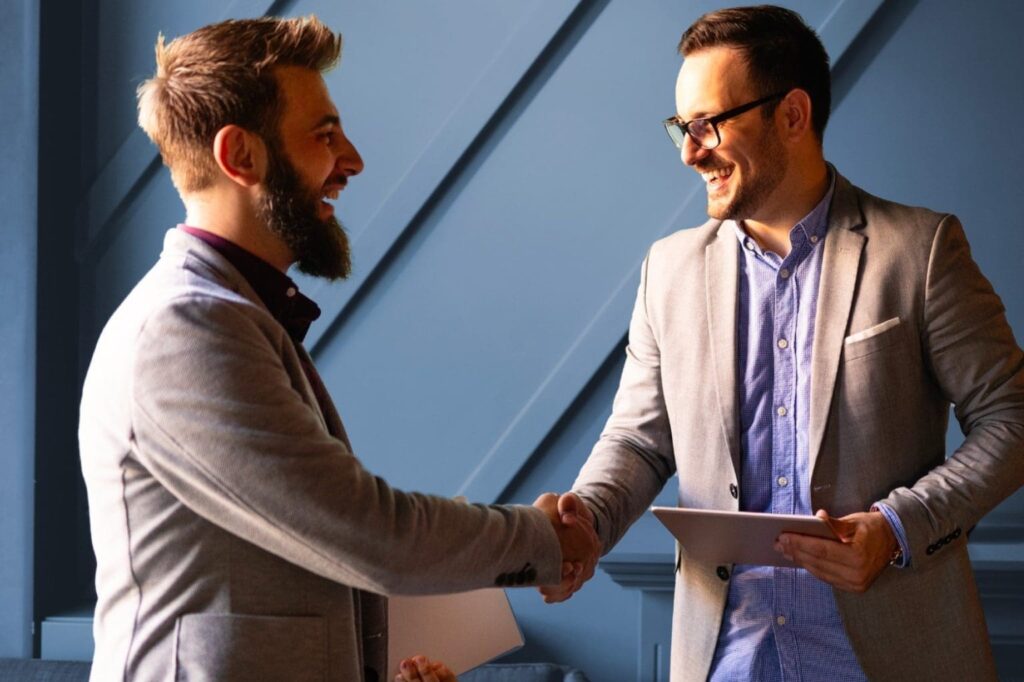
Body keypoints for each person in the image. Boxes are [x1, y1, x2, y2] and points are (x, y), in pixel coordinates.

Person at [78, 16, 597, 682]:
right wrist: (547, 540)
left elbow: (304, 554)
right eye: (324, 136)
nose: (351, 160)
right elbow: (368, 533)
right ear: (241, 157)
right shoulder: (187, 328)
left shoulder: (227, 315)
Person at [540, 5, 1024, 681]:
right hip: (724, 659)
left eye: (707, 124)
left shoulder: (921, 250)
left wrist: (897, 527)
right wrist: (583, 522)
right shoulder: (667, 270)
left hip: (890, 657)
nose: (689, 150)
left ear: (792, 115)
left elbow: (1012, 419)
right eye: (682, 128)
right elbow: (639, 442)